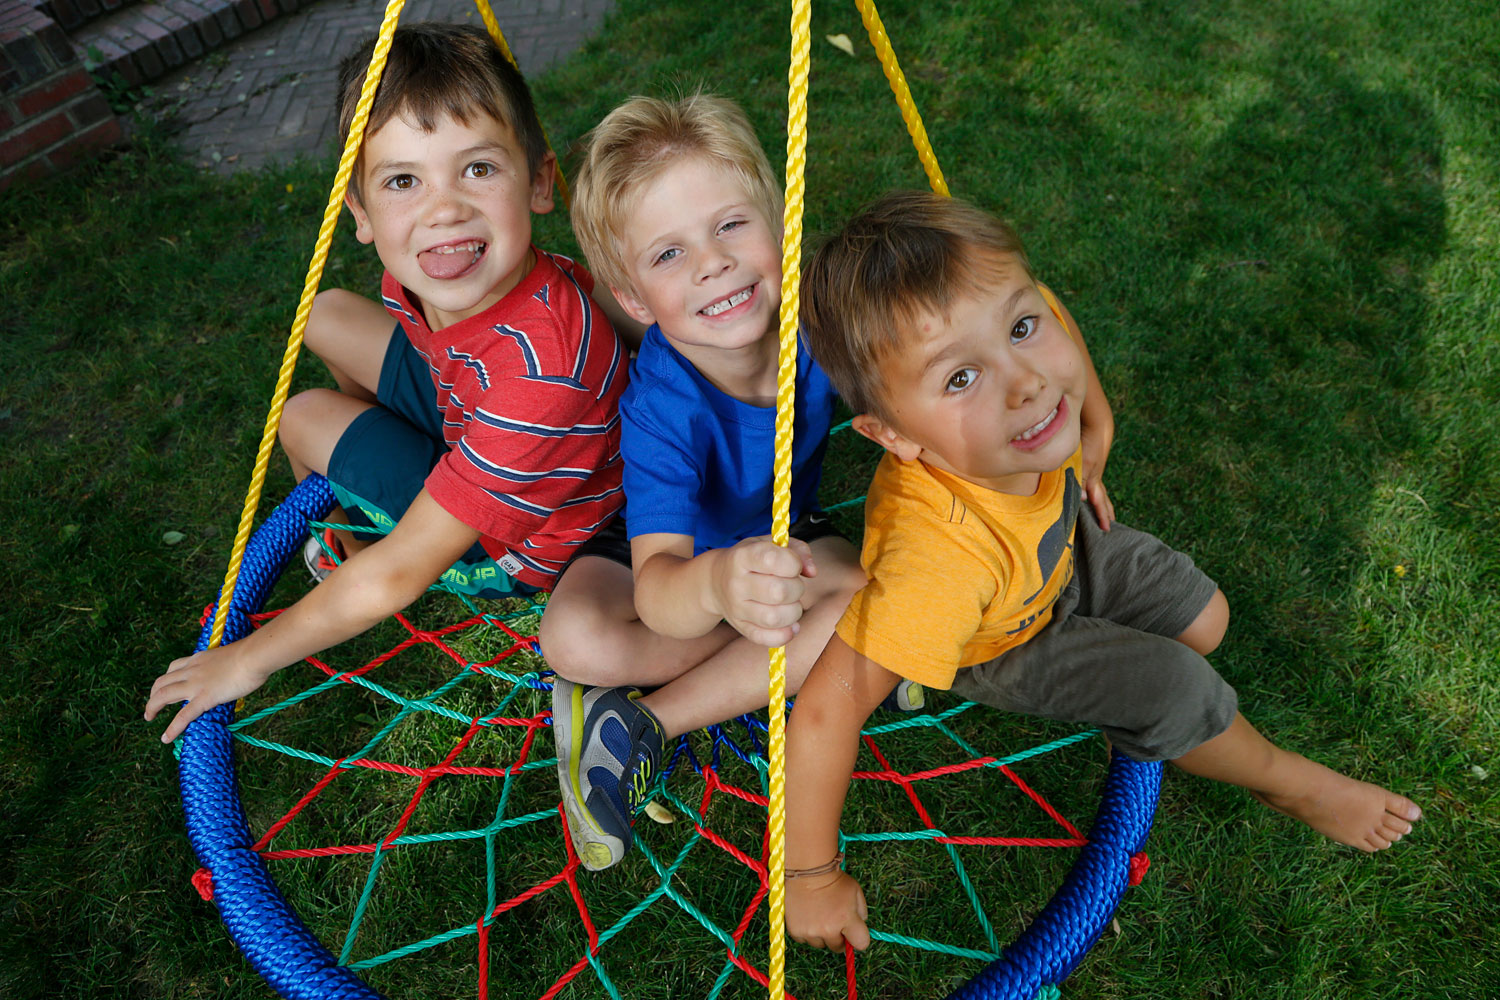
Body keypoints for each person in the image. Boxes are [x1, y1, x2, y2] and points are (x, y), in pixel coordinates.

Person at [782, 190, 1424, 951]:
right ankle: (1288, 782)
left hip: (1062, 541)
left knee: (1207, 620)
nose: (1025, 382)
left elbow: (1052, 312)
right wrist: (811, 876)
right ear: (892, 436)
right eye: (960, 379)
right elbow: (826, 711)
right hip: (1003, 636)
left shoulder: (1022, 395)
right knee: (1178, 687)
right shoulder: (935, 570)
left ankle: (1150, 681)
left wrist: (1096, 422)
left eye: (1019, 329)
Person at [145, 23, 634, 743]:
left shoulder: (543, 372)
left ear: (538, 182)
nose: (443, 210)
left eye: (477, 169)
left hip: (522, 541)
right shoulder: (466, 276)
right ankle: (383, 479)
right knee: (329, 314)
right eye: (405, 180)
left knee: (305, 416)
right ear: (363, 214)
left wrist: (246, 660)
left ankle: (359, 535)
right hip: (474, 413)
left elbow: (400, 578)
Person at [536, 93, 875, 872]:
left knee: (868, 595)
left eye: (730, 226)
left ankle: (644, 725)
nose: (712, 263)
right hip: (671, 553)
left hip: (784, 532)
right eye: (667, 255)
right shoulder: (661, 407)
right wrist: (722, 586)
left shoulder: (824, 318)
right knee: (572, 634)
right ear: (632, 300)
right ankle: (759, 656)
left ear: (779, 220)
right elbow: (657, 587)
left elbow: (943, 327)